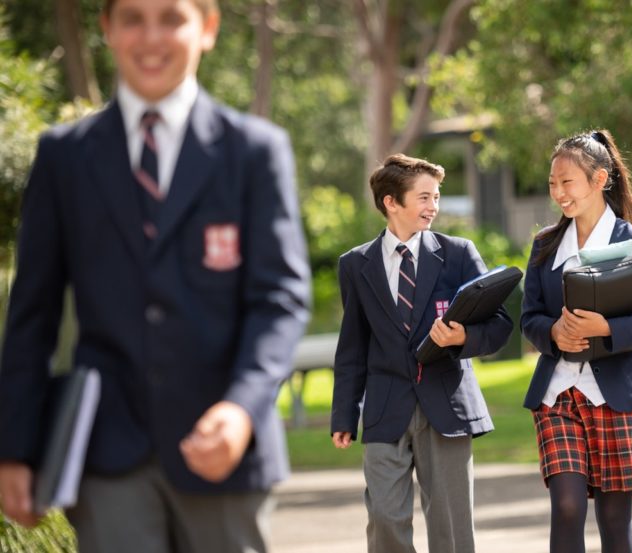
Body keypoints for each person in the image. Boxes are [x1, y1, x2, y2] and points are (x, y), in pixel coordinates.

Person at [0, 0, 311, 550]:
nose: (152, 37)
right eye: (133, 19)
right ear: (107, 30)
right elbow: (32, 315)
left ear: (208, 29)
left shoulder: (255, 152)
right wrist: (14, 449)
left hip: (224, 455)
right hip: (107, 454)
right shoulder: (64, 158)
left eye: (171, 18)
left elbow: (279, 301)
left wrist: (242, 407)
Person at [330, 153, 513, 553]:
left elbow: (499, 325)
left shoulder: (458, 253)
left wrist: (461, 338)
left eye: (437, 197)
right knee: (384, 517)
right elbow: (352, 346)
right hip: (383, 408)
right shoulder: (355, 265)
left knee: (450, 525)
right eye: (425, 197)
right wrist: (344, 412)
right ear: (391, 202)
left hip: (447, 405)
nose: (435, 207)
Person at [521, 129, 632, 553]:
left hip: (618, 395)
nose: (558, 192)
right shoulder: (544, 246)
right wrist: (552, 332)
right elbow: (529, 318)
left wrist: (606, 329)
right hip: (558, 394)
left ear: (599, 179)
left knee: (614, 516)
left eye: (566, 181)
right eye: (553, 182)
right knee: (568, 506)